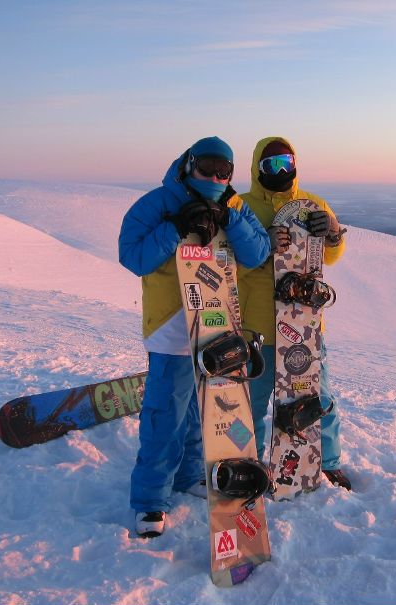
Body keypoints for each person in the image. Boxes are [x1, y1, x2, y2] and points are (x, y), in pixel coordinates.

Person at [118, 136, 270, 537]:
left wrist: (230, 219)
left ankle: (188, 475)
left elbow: (258, 254)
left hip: (217, 329)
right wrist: (174, 227)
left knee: (201, 413)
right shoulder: (159, 203)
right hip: (171, 330)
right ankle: (150, 500)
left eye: (225, 171)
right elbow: (132, 255)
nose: (216, 177)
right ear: (188, 164)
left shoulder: (234, 206)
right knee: (165, 414)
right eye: (208, 167)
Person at [238, 136, 352, 491]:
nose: (281, 170)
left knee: (318, 398)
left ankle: (327, 462)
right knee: (253, 403)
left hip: (304, 326)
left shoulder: (312, 204)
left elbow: (330, 256)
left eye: (286, 162)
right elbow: (231, 264)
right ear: (258, 168)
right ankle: (251, 463)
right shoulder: (241, 207)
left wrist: (333, 232)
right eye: (272, 164)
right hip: (258, 328)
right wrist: (261, 245)